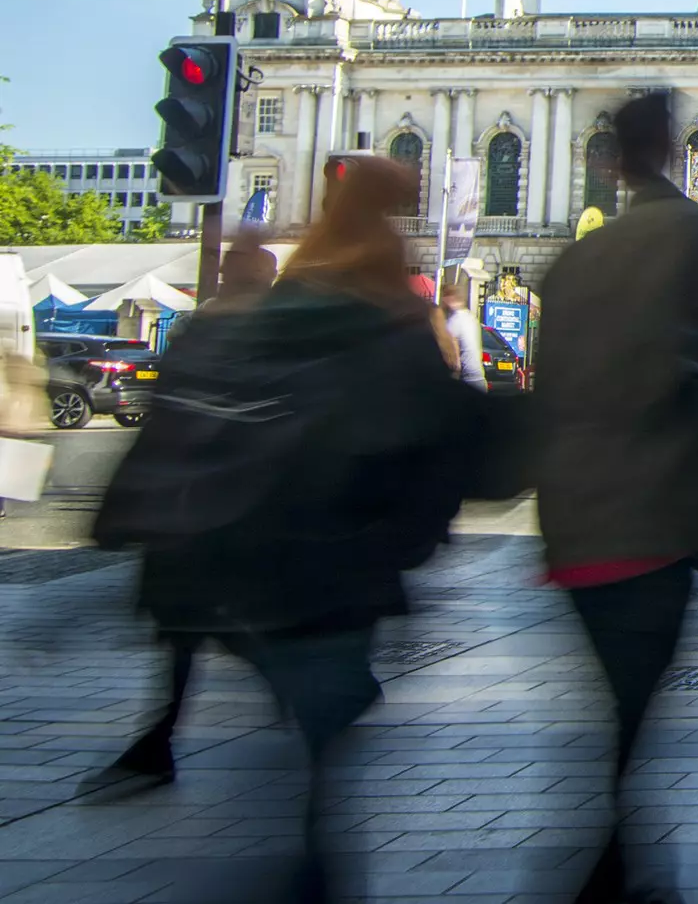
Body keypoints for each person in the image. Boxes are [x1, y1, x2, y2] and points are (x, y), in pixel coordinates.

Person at [94, 159, 478, 902]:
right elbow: (444, 431)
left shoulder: (286, 301)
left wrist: (133, 506)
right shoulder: (390, 310)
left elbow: (193, 410)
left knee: (297, 706)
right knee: (317, 724)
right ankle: (311, 853)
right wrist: (419, 528)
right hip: (342, 551)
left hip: (264, 539)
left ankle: (302, 846)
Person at [531, 92, 698, 904]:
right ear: (674, 149)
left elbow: (549, 383)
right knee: (636, 694)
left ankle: (614, 859)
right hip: (664, 503)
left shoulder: (570, 262)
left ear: (610, 161)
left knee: (619, 691)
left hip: (569, 514)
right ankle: (613, 865)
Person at [106, 231, 279, 786]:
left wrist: (122, 504)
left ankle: (164, 735)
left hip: (207, 506)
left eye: (236, 269)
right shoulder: (253, 332)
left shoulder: (222, 331)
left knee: (197, 624)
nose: (227, 276)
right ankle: (161, 736)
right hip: (209, 505)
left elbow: (173, 420)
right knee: (192, 625)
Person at [439, 281, 488, 390]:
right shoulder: (471, 317)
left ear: (449, 298)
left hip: (467, 380)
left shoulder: (455, 320)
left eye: (443, 298)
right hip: (480, 378)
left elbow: (451, 355)